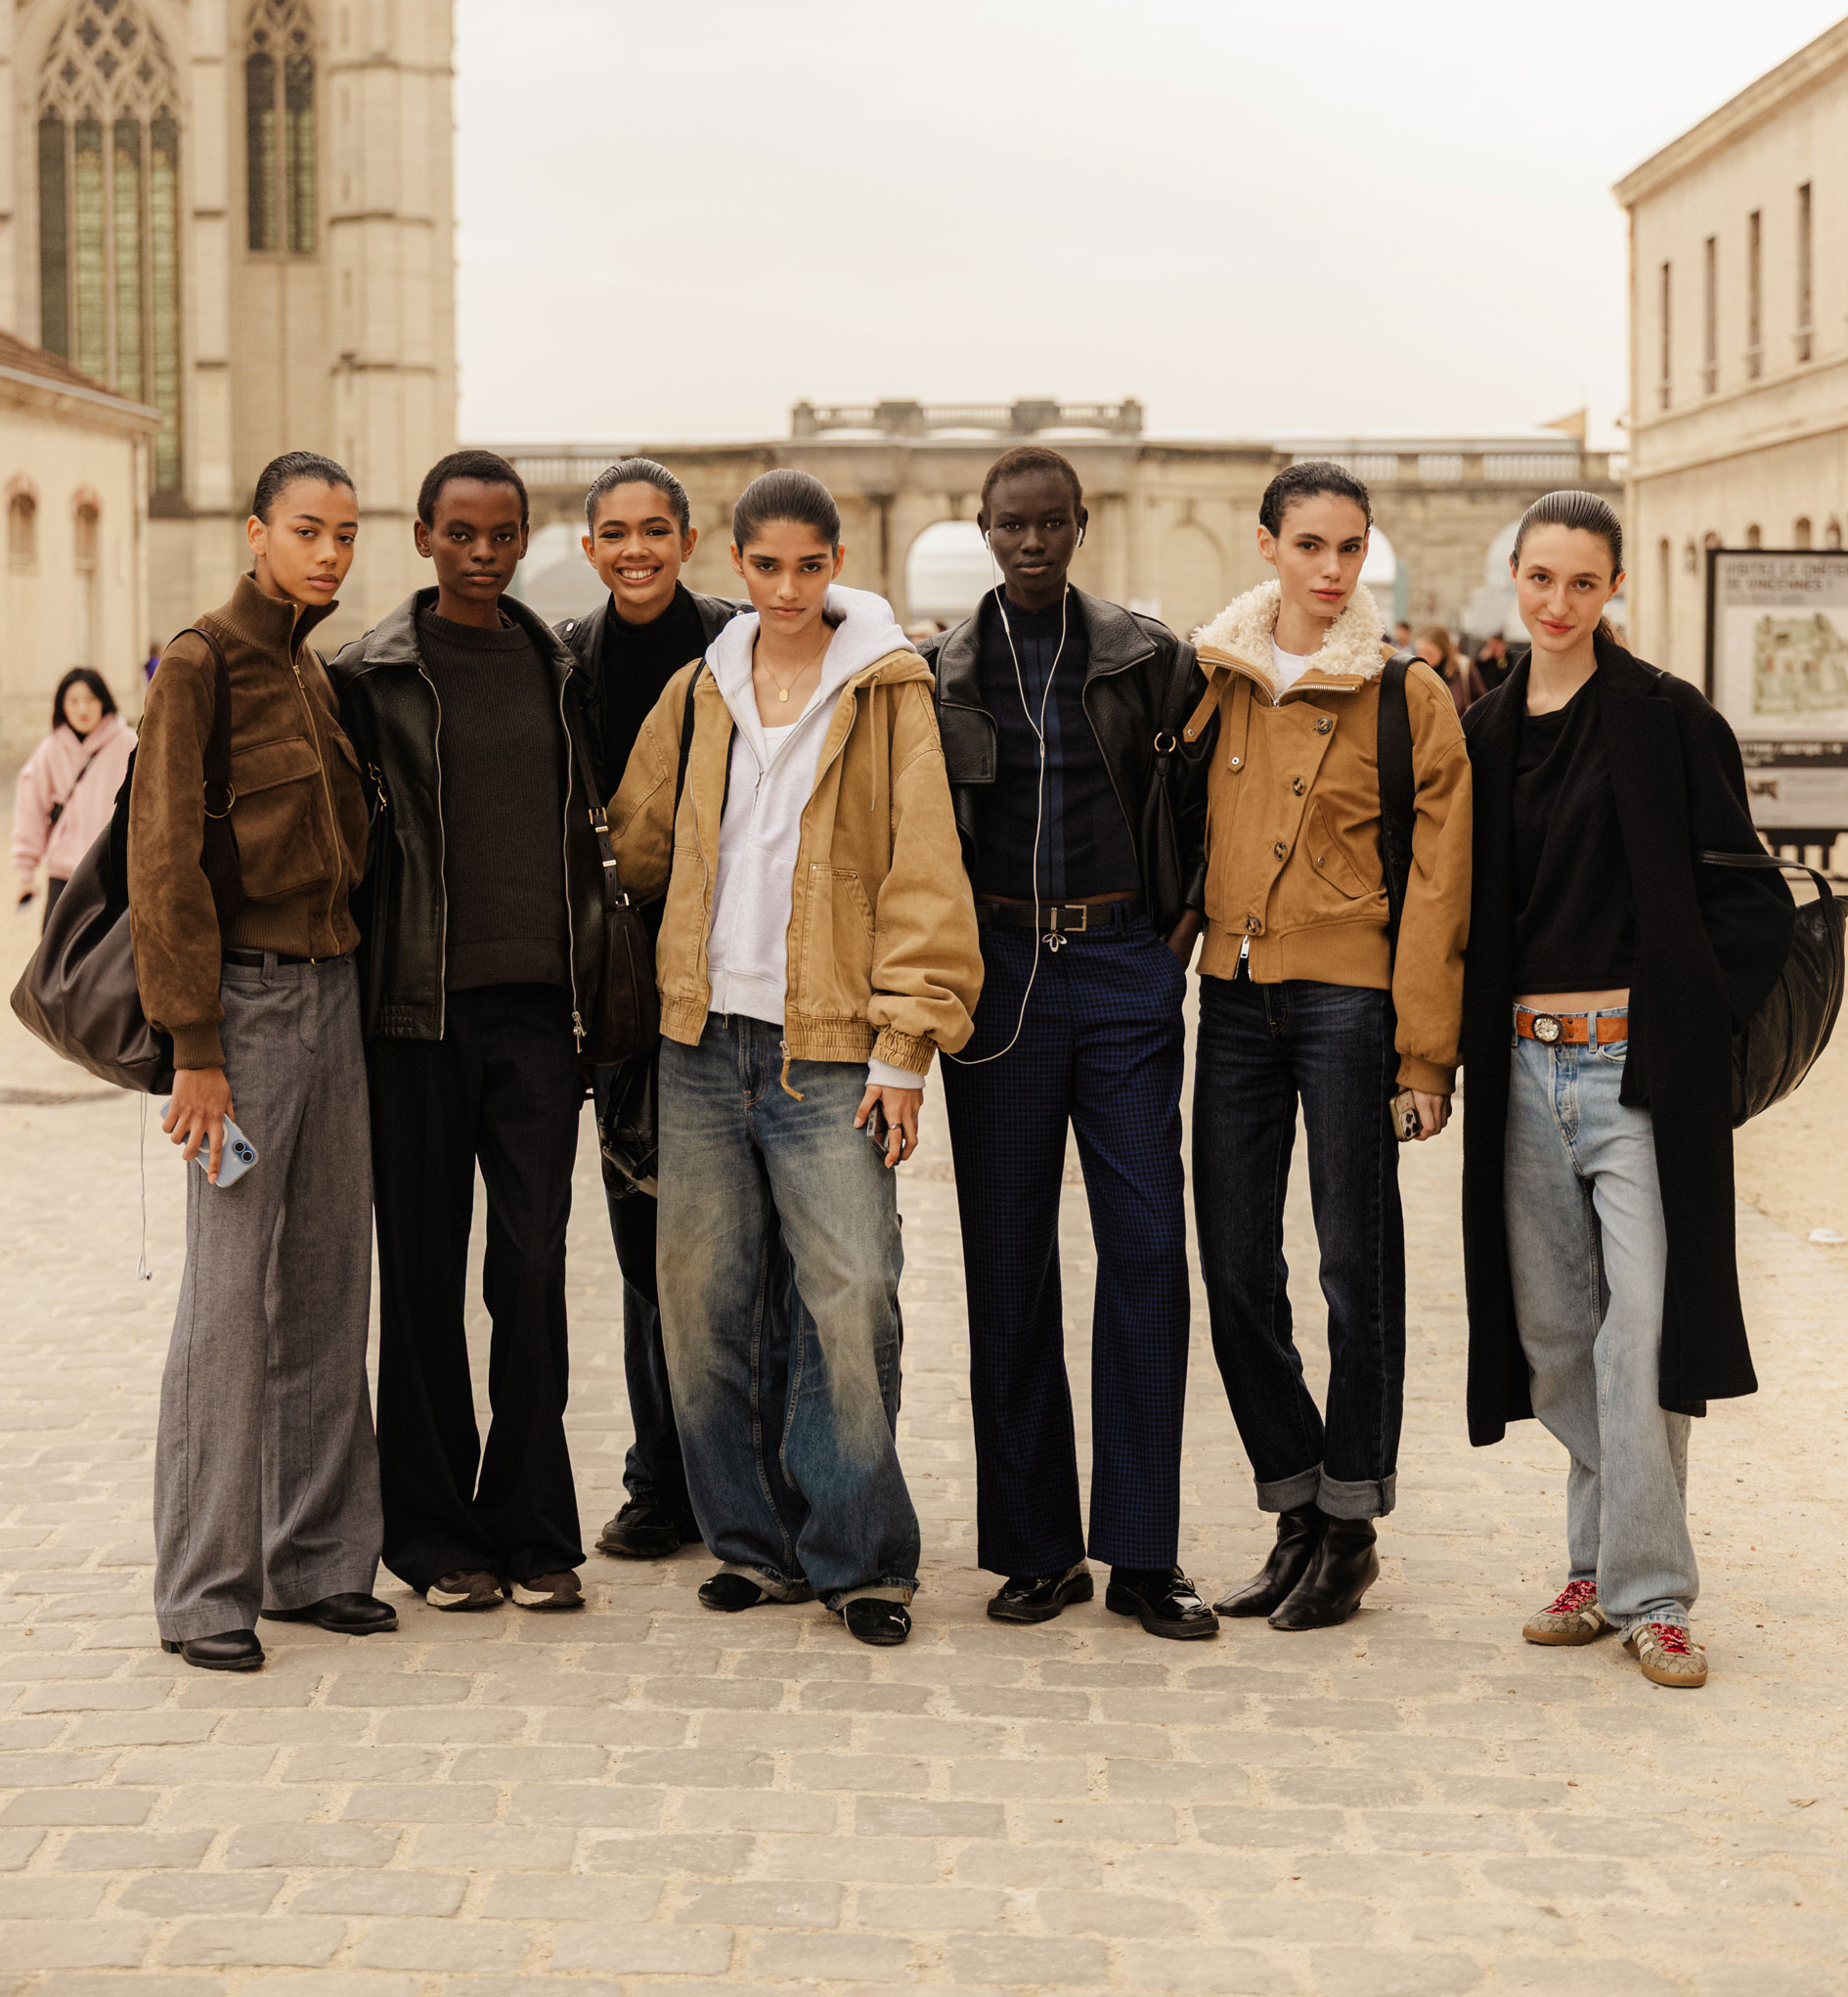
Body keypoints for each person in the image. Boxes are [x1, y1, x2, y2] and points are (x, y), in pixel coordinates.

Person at [610, 468, 982, 1648]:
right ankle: (752, 1541)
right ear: (737, 561)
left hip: (829, 1046)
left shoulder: (887, 695)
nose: (783, 588)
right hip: (699, 1037)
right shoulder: (695, 689)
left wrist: (904, 1049)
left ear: (835, 565)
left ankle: (863, 1555)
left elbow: (926, 871)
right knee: (702, 1304)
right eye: (763, 566)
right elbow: (635, 837)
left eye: (806, 566)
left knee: (853, 1294)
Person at [1460, 491, 1794, 1691]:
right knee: (1554, 1341)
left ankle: (1648, 1592)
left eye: (1582, 582)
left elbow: (1749, 900)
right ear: (1517, 577)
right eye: (1539, 579)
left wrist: (1689, 1026)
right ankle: (1601, 1560)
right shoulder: (1484, 728)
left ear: (1613, 591)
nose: (1557, 603)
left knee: (1642, 1330)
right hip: (1520, 1065)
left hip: (1633, 1071)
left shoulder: (1667, 717)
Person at [919, 445, 1220, 1641]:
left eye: (1051, 522)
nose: (1031, 542)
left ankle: (1144, 1550)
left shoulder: (1151, 656)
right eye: (1011, 525)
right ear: (984, 531)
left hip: (1120, 972)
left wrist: (1175, 934)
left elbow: (1199, 801)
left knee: (1148, 1250)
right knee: (1008, 1262)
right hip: (997, 983)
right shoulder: (941, 670)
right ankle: (1037, 1549)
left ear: (1081, 524)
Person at [1189, 462, 1472, 1631]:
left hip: (1351, 1000)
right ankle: (1295, 1501)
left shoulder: (1409, 696)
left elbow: (1443, 885)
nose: (1332, 567)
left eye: (1350, 547)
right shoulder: (1217, 679)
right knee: (1237, 1265)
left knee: (1358, 1266)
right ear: (1267, 546)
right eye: (1310, 544)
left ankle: (1349, 1523)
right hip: (1233, 992)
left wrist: (1424, 1056)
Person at [329, 450, 607, 1616]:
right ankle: (438, 1532)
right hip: (417, 1013)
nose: (483, 553)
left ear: (527, 536)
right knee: (428, 1275)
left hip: (544, 1016)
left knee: (533, 1272)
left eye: (502, 534)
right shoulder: (369, 675)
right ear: (424, 535)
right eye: (461, 533)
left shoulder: (560, 668)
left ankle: (536, 1522)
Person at [130, 451, 389, 1670]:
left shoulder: (313, 667)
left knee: (333, 1283)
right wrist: (195, 1048)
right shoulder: (200, 664)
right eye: (306, 530)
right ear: (255, 533)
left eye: (344, 532)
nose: (331, 551)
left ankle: (319, 1561)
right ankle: (204, 1589)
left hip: (333, 998)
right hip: (241, 1013)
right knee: (228, 1302)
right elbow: (163, 865)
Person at [554, 458, 744, 1563]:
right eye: (616, 532)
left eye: (655, 530)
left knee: (739, 1244)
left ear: (687, 538)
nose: (636, 549)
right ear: (589, 547)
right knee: (642, 1241)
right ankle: (658, 1478)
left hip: (736, 973)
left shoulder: (737, 641)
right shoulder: (564, 661)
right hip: (623, 976)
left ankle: (743, 1475)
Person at [13, 668, 135, 927]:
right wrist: (26, 873)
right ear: (62, 706)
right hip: (64, 876)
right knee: (54, 960)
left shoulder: (127, 744)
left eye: (91, 699)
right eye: (74, 700)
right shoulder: (51, 749)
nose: (83, 708)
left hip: (112, 873)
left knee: (109, 962)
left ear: (104, 700)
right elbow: (30, 809)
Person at [1415, 623, 1488, 715]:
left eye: (1430, 653)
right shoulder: (1417, 672)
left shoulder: (1463, 667)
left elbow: (1483, 704)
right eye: (1421, 652)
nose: (1425, 658)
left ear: (1444, 650)